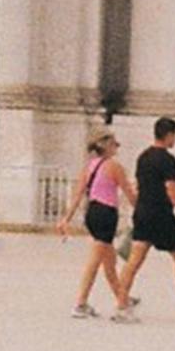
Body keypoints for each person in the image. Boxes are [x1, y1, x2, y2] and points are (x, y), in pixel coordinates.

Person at [119, 116, 175, 318]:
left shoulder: (143, 157)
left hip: (143, 211)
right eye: (174, 135)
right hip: (161, 214)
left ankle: (121, 304)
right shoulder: (168, 160)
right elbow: (171, 190)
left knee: (134, 260)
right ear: (168, 135)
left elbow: (139, 185)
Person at [57, 131, 132, 317]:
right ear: (106, 145)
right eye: (115, 144)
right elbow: (129, 193)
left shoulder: (90, 166)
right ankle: (81, 303)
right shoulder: (114, 167)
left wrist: (66, 218)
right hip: (106, 214)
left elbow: (78, 194)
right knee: (95, 261)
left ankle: (123, 298)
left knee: (109, 262)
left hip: (92, 212)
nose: (117, 147)